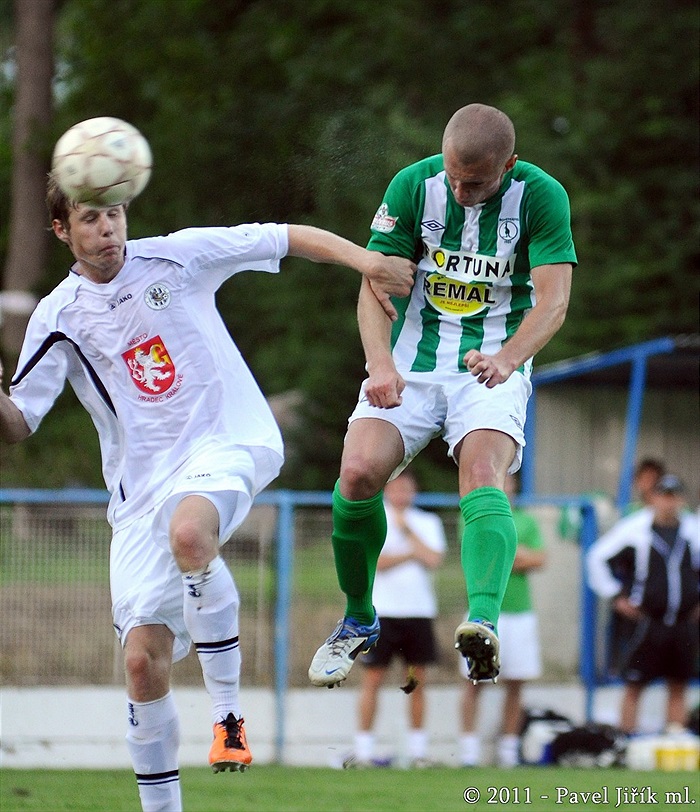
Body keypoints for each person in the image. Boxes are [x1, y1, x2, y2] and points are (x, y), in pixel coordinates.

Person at [0, 175, 415, 812]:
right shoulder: (58, 316)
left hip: (227, 442)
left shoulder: (178, 255)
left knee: (191, 532)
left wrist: (367, 261)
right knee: (142, 662)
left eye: (114, 214)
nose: (107, 229)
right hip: (139, 494)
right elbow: (19, 422)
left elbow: (284, 236)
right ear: (61, 230)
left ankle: (228, 718)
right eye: (89, 219)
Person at [308, 102, 576, 689]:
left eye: (474, 183)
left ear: (508, 164)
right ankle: (357, 618)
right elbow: (376, 282)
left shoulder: (541, 197)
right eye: (453, 176)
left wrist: (508, 359)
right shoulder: (413, 186)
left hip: (493, 361)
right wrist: (379, 363)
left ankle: (482, 623)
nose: (459, 191)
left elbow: (554, 301)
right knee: (356, 473)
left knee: (482, 474)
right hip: (411, 361)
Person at [586, 474, 699, 735]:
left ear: (681, 500)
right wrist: (616, 596)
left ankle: (675, 740)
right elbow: (597, 557)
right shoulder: (635, 528)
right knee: (635, 683)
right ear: (654, 498)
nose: (669, 503)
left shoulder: (692, 530)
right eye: (664, 496)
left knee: (678, 684)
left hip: (683, 620)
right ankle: (626, 738)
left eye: (674, 497)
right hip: (648, 620)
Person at [348, 468, 446, 768]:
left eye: (406, 488)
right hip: (383, 613)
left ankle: (417, 752)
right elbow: (375, 562)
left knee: (416, 681)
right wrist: (411, 554)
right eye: (396, 488)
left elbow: (434, 558)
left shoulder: (427, 522)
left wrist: (407, 533)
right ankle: (363, 751)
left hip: (418, 612)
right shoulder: (375, 520)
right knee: (373, 679)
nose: (401, 494)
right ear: (386, 490)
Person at [458, 473, 545, 767]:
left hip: (519, 612)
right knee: (474, 681)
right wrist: (514, 553)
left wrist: (504, 552)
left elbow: (539, 558)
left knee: (516, 682)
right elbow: (478, 553)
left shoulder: (526, 521)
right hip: (482, 615)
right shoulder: (474, 513)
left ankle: (509, 749)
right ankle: (468, 751)